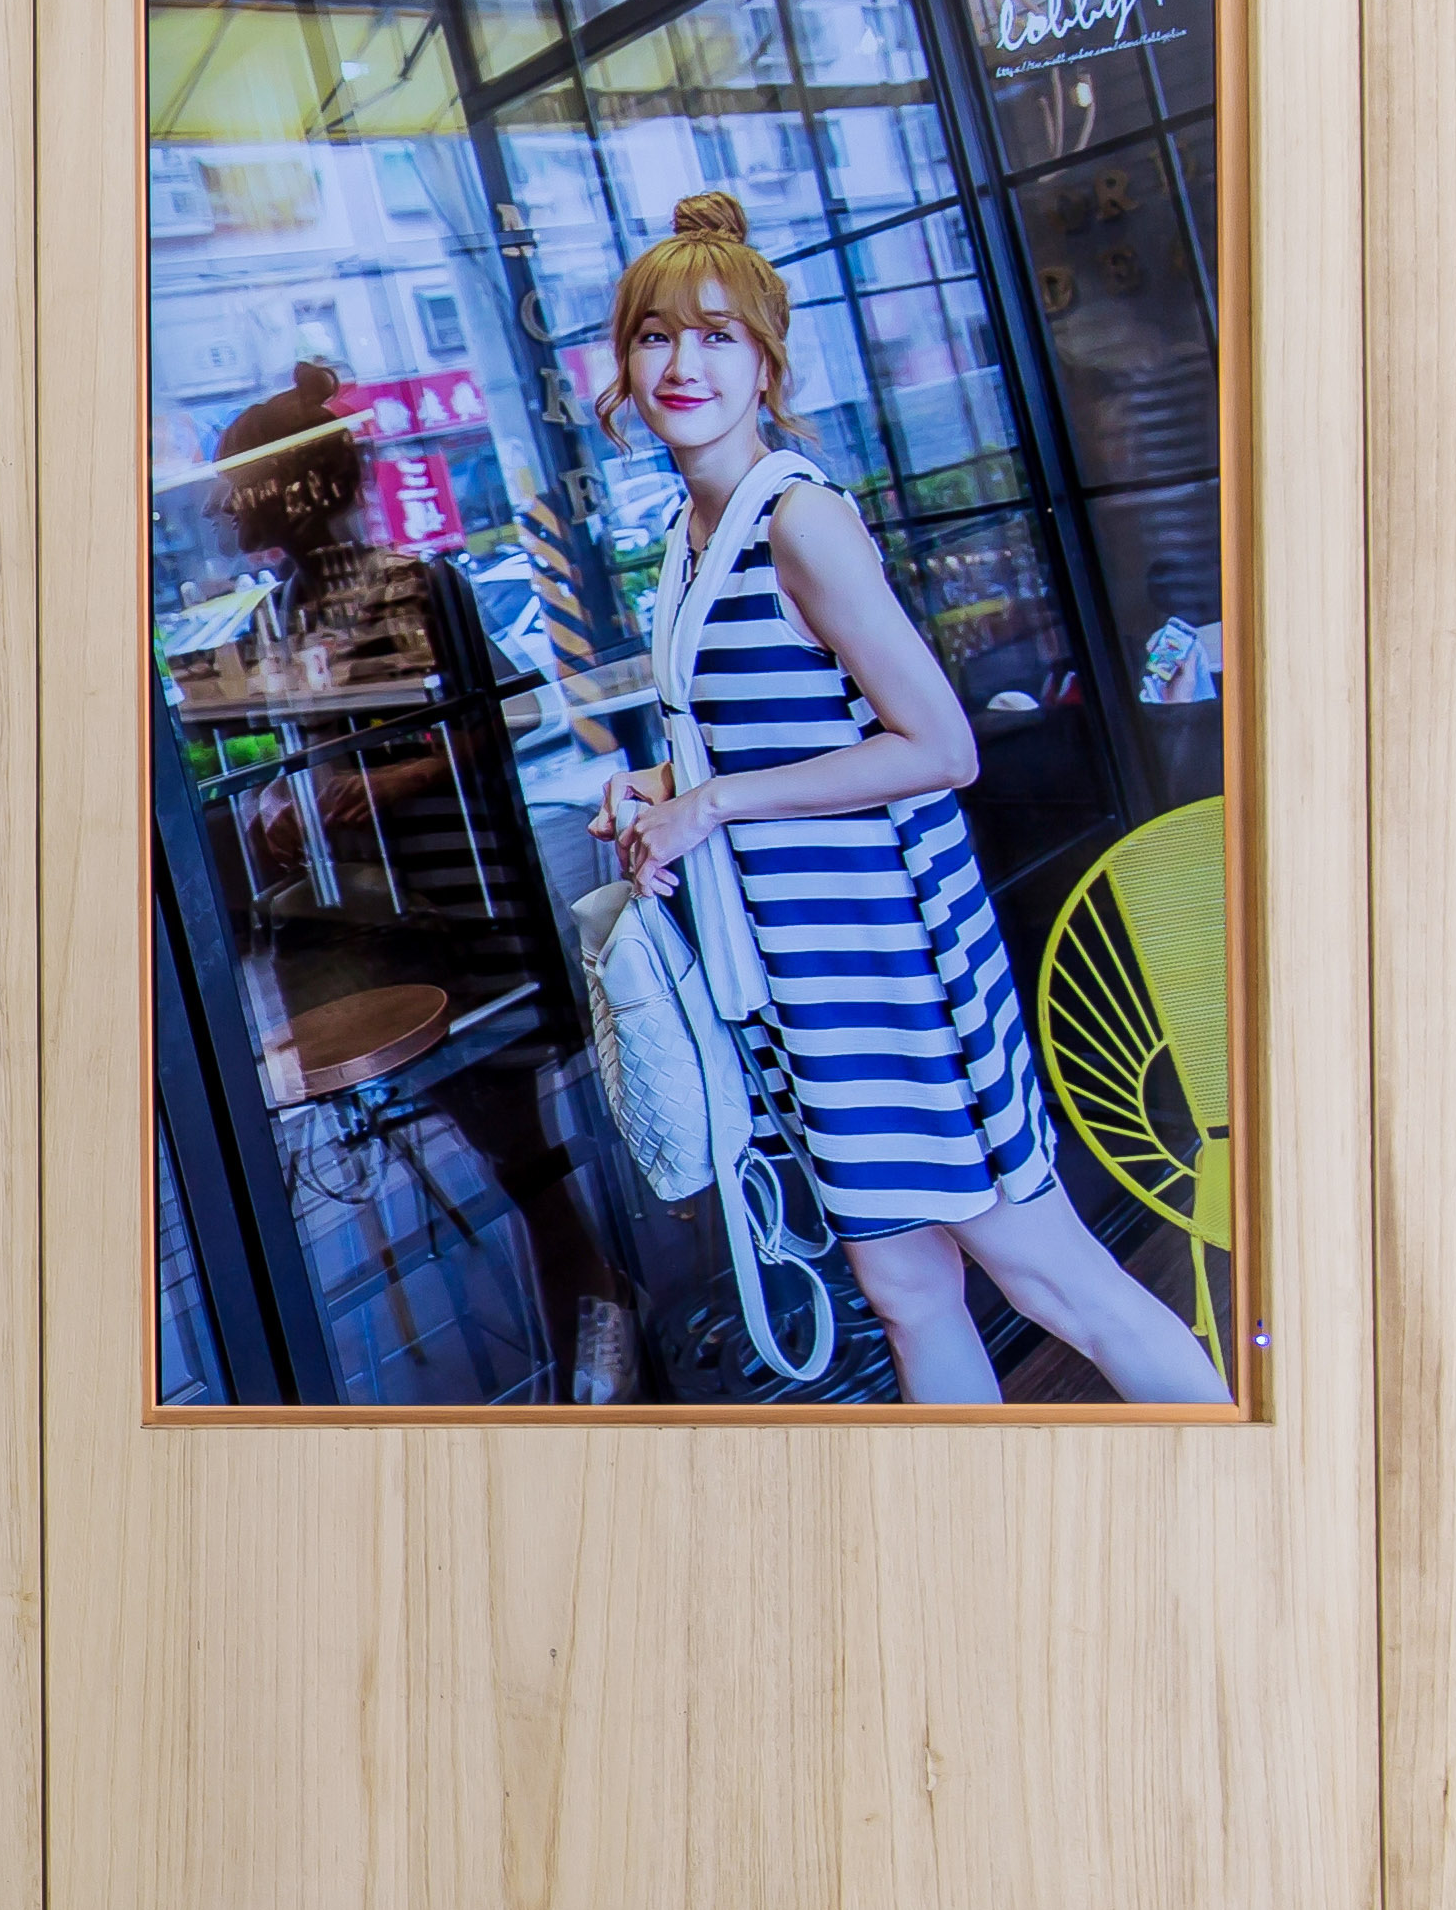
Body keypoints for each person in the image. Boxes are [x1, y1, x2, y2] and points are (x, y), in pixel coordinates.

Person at [584, 192, 1230, 1406]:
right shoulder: (692, 532)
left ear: (766, 363)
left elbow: (939, 745)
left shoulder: (799, 521)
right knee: (909, 1291)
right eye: (657, 336)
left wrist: (708, 807)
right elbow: (785, 732)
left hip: (895, 963)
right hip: (813, 975)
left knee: (1052, 1279)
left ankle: (1249, 1487)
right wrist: (663, 788)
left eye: (718, 336)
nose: (682, 364)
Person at [198, 364, 638, 1404]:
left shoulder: (419, 585)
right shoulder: (279, 617)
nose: (223, 511)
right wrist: (287, 810)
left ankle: (603, 1350)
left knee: (525, 1165)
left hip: (468, 916)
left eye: (241, 489)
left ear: (293, 490)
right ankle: (598, 1347)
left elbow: (515, 712)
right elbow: (307, 761)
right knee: (518, 1166)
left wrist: (389, 781)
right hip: (382, 933)